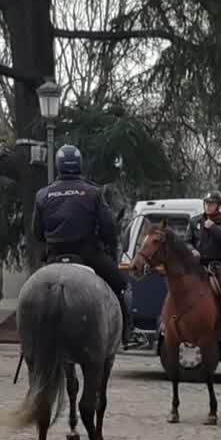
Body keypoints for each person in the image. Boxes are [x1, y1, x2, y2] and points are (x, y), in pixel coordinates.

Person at [33, 144, 143, 351]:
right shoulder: (93, 192)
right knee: (122, 286)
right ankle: (129, 333)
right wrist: (108, 244)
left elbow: (37, 233)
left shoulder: (42, 195)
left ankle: (30, 341)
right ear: (79, 164)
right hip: (87, 254)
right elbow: (109, 227)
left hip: (54, 256)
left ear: (58, 165)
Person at [187, 191, 221, 335]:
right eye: (206, 203)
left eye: (212, 204)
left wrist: (214, 228)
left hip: (218, 265)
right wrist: (192, 250)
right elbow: (187, 241)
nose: (208, 206)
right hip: (198, 264)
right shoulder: (195, 221)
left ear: (219, 206)